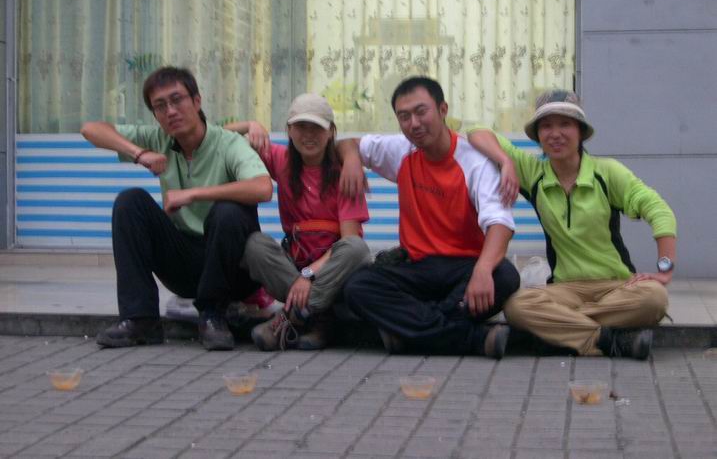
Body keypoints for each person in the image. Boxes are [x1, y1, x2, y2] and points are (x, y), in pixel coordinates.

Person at [467, 90, 676, 359]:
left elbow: (659, 211)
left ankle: (562, 332)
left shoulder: (607, 172)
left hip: (617, 286)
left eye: (565, 124)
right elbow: (476, 131)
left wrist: (664, 269)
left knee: (654, 298)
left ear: (580, 131)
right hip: (566, 289)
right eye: (546, 126)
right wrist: (505, 160)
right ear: (538, 136)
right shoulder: (533, 174)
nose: (555, 134)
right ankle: (609, 339)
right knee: (517, 306)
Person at [81, 66, 273, 351]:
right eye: (160, 106)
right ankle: (140, 319)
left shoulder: (228, 143)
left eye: (177, 100)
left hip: (234, 270)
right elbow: (90, 130)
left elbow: (263, 188)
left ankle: (213, 314)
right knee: (129, 202)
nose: (170, 111)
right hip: (186, 266)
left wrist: (193, 194)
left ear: (196, 101)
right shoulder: (158, 139)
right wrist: (139, 153)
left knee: (229, 211)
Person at [339, 76, 520, 359]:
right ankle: (471, 338)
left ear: (443, 110)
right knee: (358, 287)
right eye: (404, 116)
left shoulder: (474, 161)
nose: (414, 123)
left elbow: (500, 223)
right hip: (416, 268)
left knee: (505, 276)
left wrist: (483, 270)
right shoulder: (401, 150)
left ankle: (409, 332)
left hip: (464, 268)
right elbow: (347, 143)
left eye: (421, 112)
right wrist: (351, 159)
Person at [225, 93, 372, 351]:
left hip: (329, 271)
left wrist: (309, 275)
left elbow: (350, 240)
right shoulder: (281, 160)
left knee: (357, 250)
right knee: (255, 244)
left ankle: (290, 318)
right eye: (301, 126)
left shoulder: (345, 175)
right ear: (289, 131)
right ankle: (317, 316)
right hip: (293, 269)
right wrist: (250, 125)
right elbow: (217, 139)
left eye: (317, 127)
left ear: (331, 132)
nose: (309, 135)